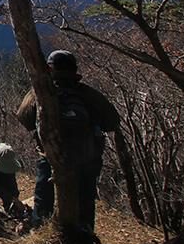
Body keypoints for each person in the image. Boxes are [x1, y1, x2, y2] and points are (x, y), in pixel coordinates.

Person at [15, 49, 119, 232]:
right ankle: (84, 236)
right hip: (87, 157)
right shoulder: (87, 93)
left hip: (50, 155)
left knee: (44, 195)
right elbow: (112, 122)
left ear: (49, 68)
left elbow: (24, 119)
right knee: (85, 198)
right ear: (74, 69)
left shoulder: (41, 93)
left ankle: (40, 231)